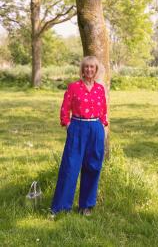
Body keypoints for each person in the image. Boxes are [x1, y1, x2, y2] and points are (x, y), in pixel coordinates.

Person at [51, 56, 108, 216]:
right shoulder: (73, 87)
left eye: (92, 67)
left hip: (95, 129)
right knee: (70, 167)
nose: (89, 70)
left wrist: (102, 126)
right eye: (86, 67)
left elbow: (103, 110)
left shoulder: (100, 89)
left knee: (93, 167)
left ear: (96, 70)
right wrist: (68, 125)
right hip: (77, 127)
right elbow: (65, 109)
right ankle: (62, 207)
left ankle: (86, 206)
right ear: (82, 69)